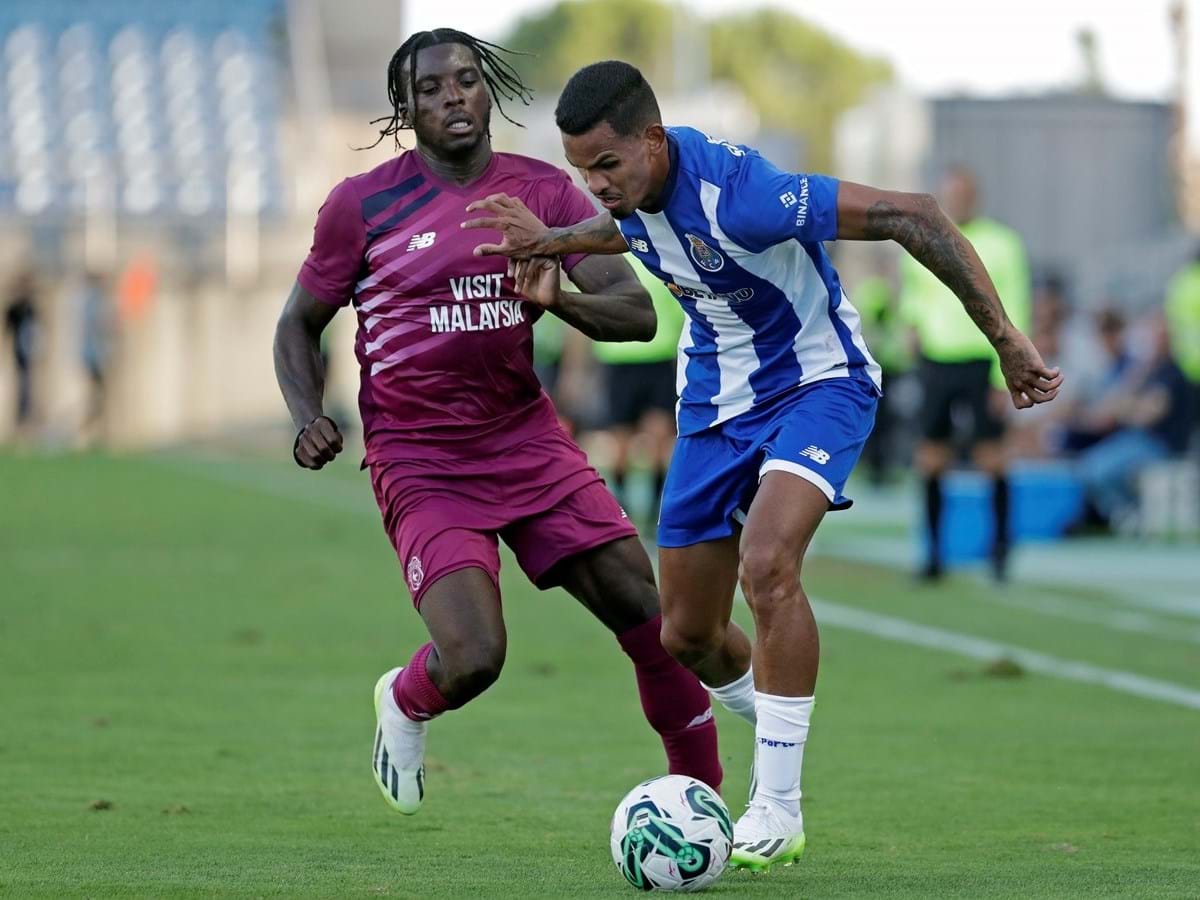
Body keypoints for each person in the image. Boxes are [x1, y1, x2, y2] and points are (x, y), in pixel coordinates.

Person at [464, 60, 1060, 870]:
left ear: (653, 139)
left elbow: (910, 214)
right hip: (715, 405)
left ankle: (777, 799)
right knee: (687, 634)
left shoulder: (743, 195)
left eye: (606, 165)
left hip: (820, 385)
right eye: (580, 171)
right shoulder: (632, 194)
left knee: (770, 564)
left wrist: (1006, 341)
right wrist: (557, 241)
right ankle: (782, 710)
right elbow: (628, 227)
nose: (594, 184)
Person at [273, 32, 723, 819]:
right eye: (433, 87)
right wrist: (308, 413)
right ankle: (408, 701)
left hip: (527, 439)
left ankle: (704, 801)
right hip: (422, 460)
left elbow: (637, 314)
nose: (454, 96)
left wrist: (560, 300)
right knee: (476, 658)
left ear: (488, 93)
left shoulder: (542, 193)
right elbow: (297, 325)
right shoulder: (363, 205)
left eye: (468, 80)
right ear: (406, 108)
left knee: (648, 614)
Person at [898, 165, 1032, 581]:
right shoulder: (926, 237)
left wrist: (1003, 373)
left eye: (963, 192)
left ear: (975, 195)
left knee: (991, 457)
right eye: (950, 193)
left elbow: (1015, 303)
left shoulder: (1003, 243)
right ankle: (934, 556)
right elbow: (915, 293)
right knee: (931, 458)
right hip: (938, 361)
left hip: (980, 359)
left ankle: (1000, 553)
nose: (957, 200)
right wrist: (912, 326)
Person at [590, 254, 686, 525]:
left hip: (657, 359)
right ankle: (625, 510)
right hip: (619, 360)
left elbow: (683, 313)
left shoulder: (662, 257)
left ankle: (657, 512)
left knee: (659, 438)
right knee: (620, 442)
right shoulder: (608, 259)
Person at [3, 270, 39, 432]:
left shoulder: (30, 308)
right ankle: (20, 421)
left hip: (30, 354)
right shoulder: (16, 308)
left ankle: (26, 420)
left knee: (27, 388)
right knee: (21, 387)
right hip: (18, 355)